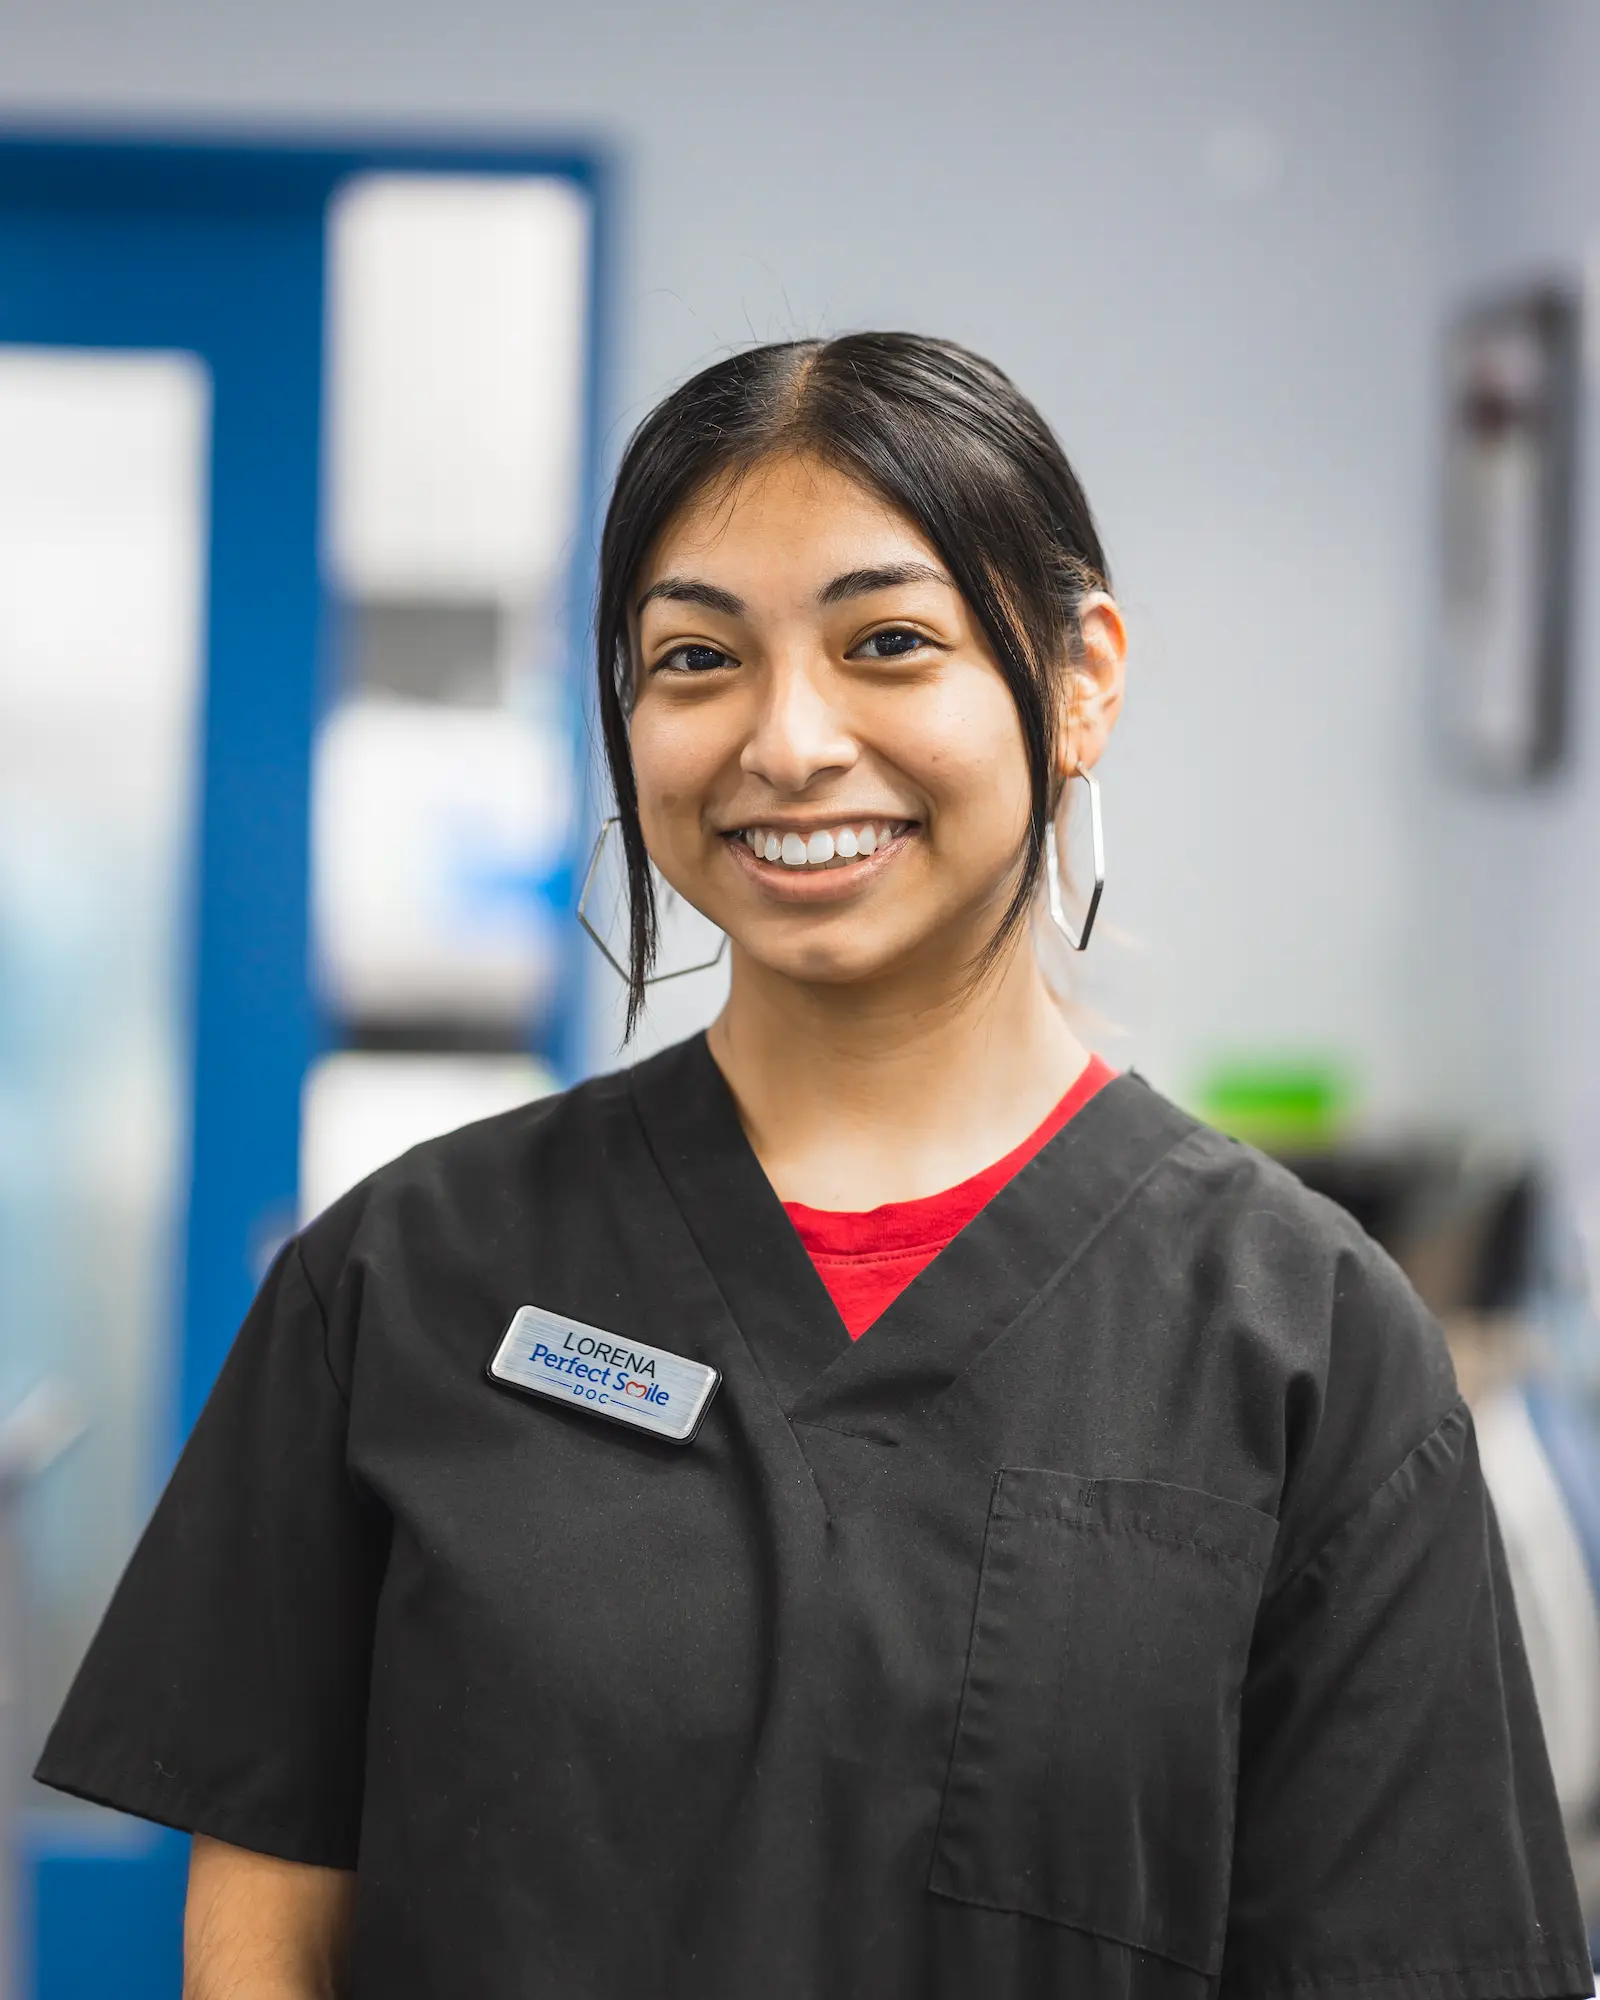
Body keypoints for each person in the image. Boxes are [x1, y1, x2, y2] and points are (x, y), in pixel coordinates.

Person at [37, 334, 1590, 2000]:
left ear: (1081, 681)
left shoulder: (1307, 1346)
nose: (787, 741)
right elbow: (269, 1938)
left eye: (890, 643)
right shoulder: (405, 1280)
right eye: (696, 658)